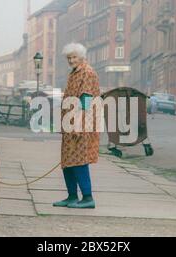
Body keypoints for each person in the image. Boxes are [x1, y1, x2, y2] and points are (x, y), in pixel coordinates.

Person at [53, 43, 100, 209]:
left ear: (82, 57)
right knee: (67, 160)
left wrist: (79, 123)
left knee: (80, 160)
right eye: (69, 58)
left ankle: (87, 198)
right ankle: (72, 196)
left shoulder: (87, 72)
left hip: (81, 124)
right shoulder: (74, 73)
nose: (71, 60)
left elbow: (86, 99)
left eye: (74, 57)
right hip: (70, 124)